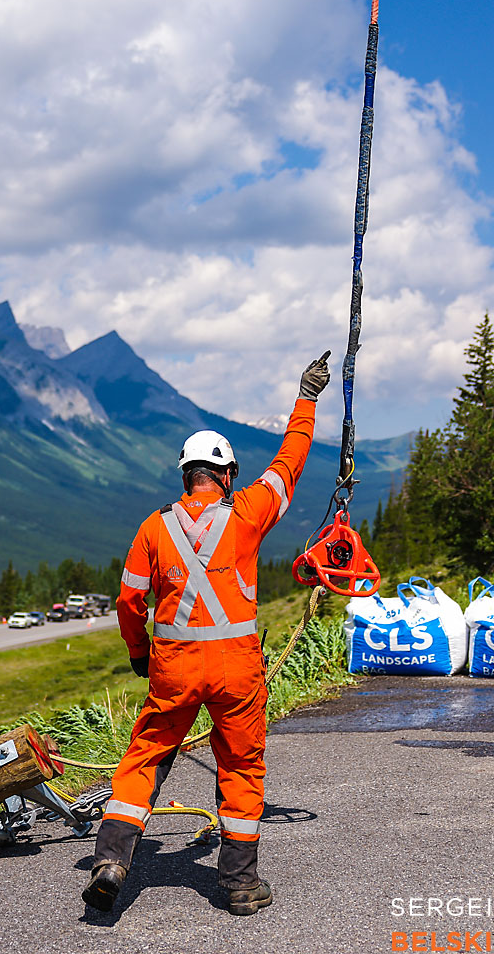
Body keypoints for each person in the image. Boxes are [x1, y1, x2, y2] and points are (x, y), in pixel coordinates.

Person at [82, 352, 330, 916]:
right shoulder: (247, 512)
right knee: (241, 766)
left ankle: (113, 860)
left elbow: (128, 599)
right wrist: (307, 398)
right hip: (238, 669)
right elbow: (289, 463)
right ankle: (240, 884)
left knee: (146, 757)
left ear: (185, 474)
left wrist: (139, 653)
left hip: (173, 665)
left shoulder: (154, 525)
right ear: (226, 474)